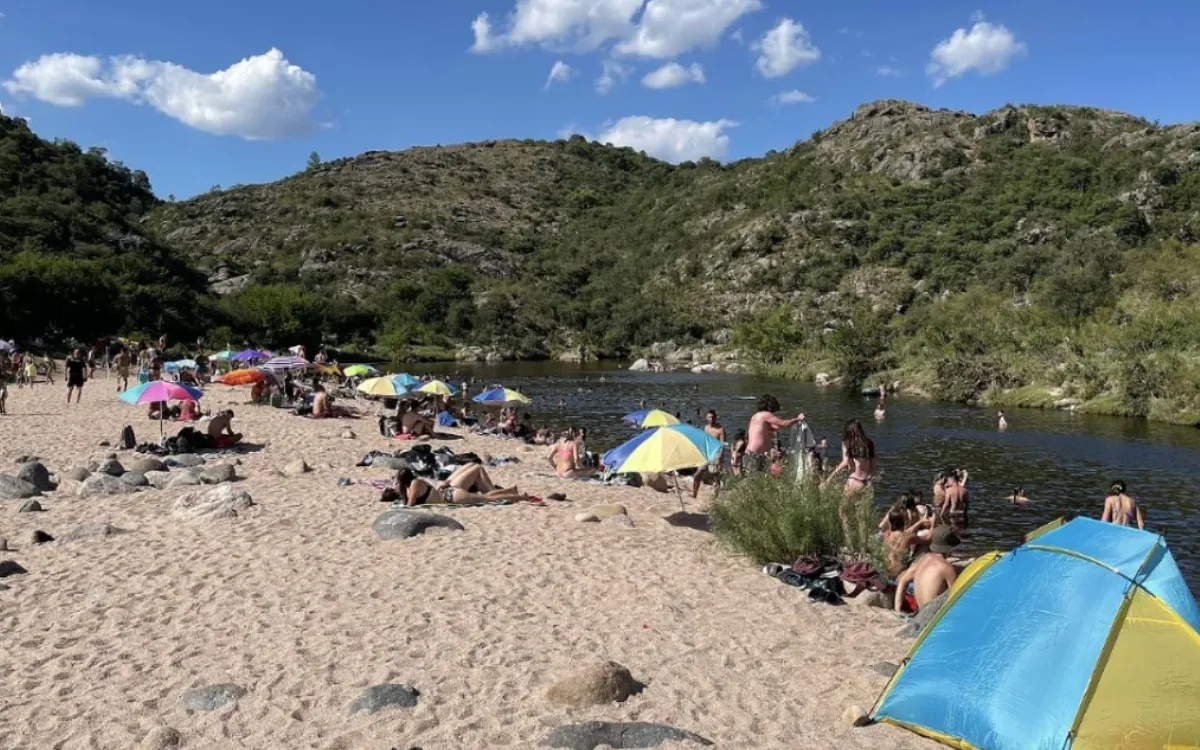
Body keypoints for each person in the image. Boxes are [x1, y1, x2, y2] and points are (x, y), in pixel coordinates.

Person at [894, 526, 960, 614]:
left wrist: (898, 609)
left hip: (921, 613)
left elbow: (903, 580)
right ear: (949, 548)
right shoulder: (947, 568)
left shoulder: (923, 559)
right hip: (933, 616)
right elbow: (956, 599)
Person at [391, 466, 531, 506]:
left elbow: (410, 504)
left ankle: (520, 497)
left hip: (452, 497)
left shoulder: (414, 485)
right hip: (450, 493)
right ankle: (513, 493)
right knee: (487, 497)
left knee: (488, 498)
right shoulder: (413, 485)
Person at [745, 395, 804, 473]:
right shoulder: (765, 414)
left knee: (755, 479)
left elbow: (774, 428)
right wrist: (797, 419)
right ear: (770, 406)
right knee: (754, 479)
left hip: (751, 453)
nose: (773, 413)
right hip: (755, 454)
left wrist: (790, 422)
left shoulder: (755, 416)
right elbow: (783, 424)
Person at [692, 409, 728, 498]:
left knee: (715, 476)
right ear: (706, 418)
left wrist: (720, 456)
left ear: (716, 417)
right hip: (706, 454)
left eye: (713, 417)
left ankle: (715, 496)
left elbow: (722, 444)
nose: (711, 419)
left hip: (716, 455)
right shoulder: (706, 428)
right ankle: (694, 493)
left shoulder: (720, 429)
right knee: (698, 474)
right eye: (709, 417)